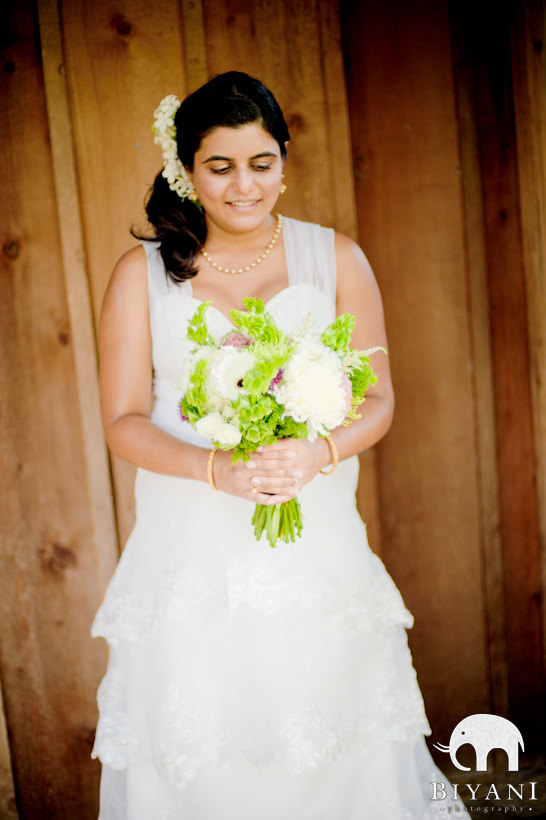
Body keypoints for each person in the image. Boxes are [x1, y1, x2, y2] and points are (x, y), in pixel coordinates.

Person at [91, 71, 462, 819]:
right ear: (185, 171)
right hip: (190, 560)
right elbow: (124, 420)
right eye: (218, 166)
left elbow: (379, 397)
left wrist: (319, 453)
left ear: (283, 162)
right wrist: (212, 467)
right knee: (206, 750)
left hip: (316, 545)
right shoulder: (143, 276)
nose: (242, 185)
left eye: (260, 162)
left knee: (336, 733)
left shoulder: (338, 259)